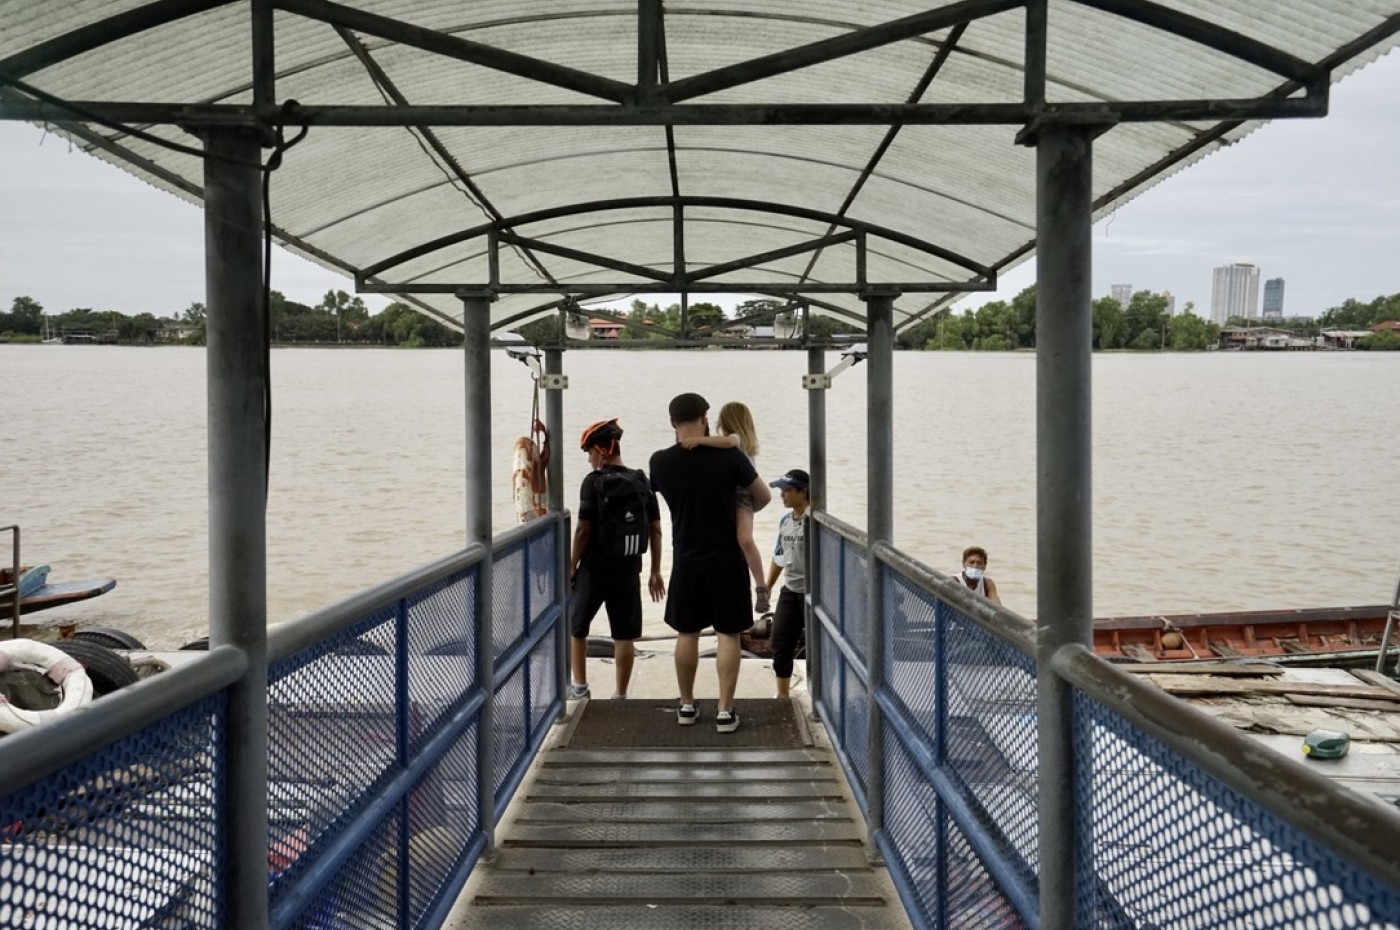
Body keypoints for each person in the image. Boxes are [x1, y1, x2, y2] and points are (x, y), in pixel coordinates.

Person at [649, 392, 771, 733]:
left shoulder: (659, 462)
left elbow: (654, 502)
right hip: (727, 559)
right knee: (728, 634)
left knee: (686, 633)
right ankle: (724, 712)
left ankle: (686, 706)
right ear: (705, 417)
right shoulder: (731, 457)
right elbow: (762, 495)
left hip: (686, 558)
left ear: (672, 423)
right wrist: (743, 509)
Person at [567, 418, 665, 701]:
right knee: (624, 635)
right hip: (629, 568)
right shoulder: (641, 481)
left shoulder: (593, 483)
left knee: (578, 629)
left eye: (589, 453)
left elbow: (583, 529)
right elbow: (655, 529)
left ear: (601, 450)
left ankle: (580, 688)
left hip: (594, 569)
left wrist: (571, 565)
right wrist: (655, 570)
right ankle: (621, 695)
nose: (589, 460)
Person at [678, 401, 770, 613]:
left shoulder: (736, 440)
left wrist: (698, 440)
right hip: (732, 496)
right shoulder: (742, 443)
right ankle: (758, 584)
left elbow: (727, 443)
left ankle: (761, 586)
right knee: (740, 540)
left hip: (742, 497)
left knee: (745, 539)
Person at [763, 468, 810, 699]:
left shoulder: (815, 520)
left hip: (813, 594)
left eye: (788, 491)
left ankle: (819, 695)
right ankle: (782, 696)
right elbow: (779, 556)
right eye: (781, 491)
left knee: (817, 648)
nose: (782, 496)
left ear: (803, 492)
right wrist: (767, 586)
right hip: (789, 591)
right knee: (780, 643)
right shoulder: (785, 521)